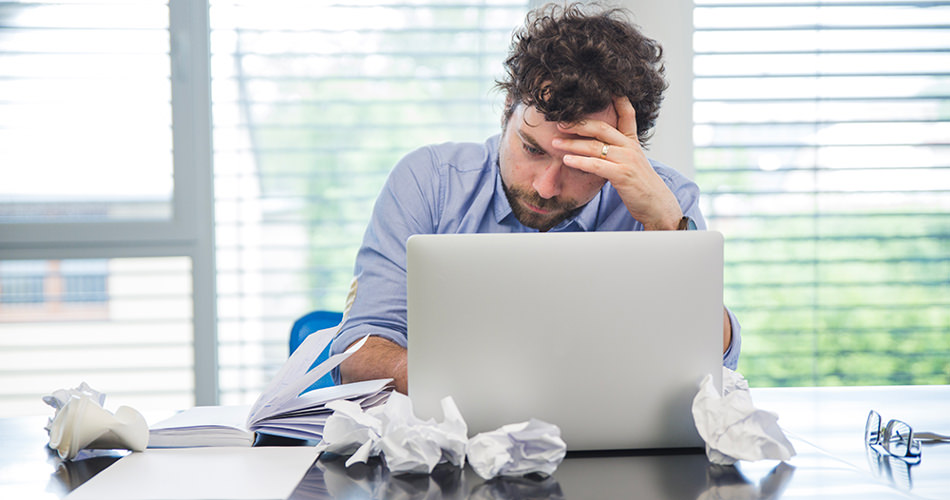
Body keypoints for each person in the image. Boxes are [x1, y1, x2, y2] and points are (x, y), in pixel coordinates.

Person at [328, 2, 740, 394]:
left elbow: (715, 361)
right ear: (508, 109)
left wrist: (667, 227)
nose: (545, 187)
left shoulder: (662, 201)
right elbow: (356, 354)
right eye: (532, 149)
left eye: (581, 165)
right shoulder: (430, 182)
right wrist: (447, 383)